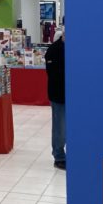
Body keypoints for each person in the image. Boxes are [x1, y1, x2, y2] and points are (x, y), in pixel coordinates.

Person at [45, 29, 65, 170]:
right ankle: (59, 156)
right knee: (60, 128)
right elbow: (52, 73)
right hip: (58, 94)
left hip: (72, 94)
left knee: (68, 127)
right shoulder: (53, 49)